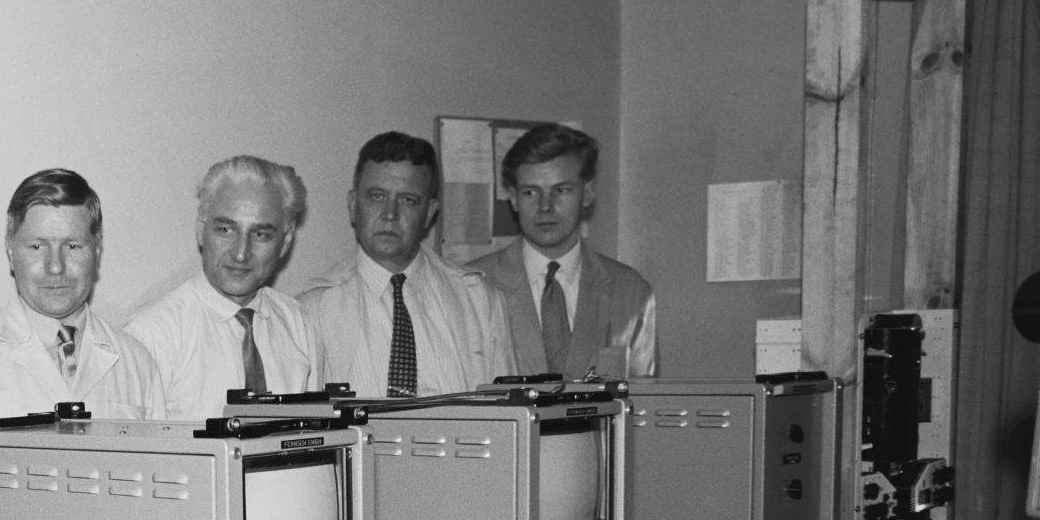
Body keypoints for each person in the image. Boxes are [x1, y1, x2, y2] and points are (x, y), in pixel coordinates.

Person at [0, 169, 165, 420]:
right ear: (11, 252)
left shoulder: (138, 363)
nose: (55, 266)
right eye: (37, 246)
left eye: (72, 246)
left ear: (97, 251)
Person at [296, 132, 514, 398]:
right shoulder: (312, 311)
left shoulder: (480, 299)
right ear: (354, 205)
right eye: (377, 196)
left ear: (430, 212)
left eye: (407, 200)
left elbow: (509, 416)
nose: (390, 214)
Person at [124, 156, 319, 419]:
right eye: (226, 230)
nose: (241, 253)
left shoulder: (297, 323)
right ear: (200, 229)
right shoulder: (153, 334)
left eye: (260, 235)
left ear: (285, 241)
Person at [470, 123, 656, 380]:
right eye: (531, 192)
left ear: (587, 193)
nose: (545, 206)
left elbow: (641, 404)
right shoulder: (472, 285)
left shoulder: (630, 291)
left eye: (561, 190)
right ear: (512, 198)